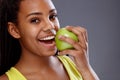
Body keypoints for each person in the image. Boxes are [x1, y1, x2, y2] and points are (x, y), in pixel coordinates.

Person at [0, 0, 100, 80]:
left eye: (52, 17)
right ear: (15, 30)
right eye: (35, 20)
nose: (50, 26)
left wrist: (86, 69)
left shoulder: (75, 65)